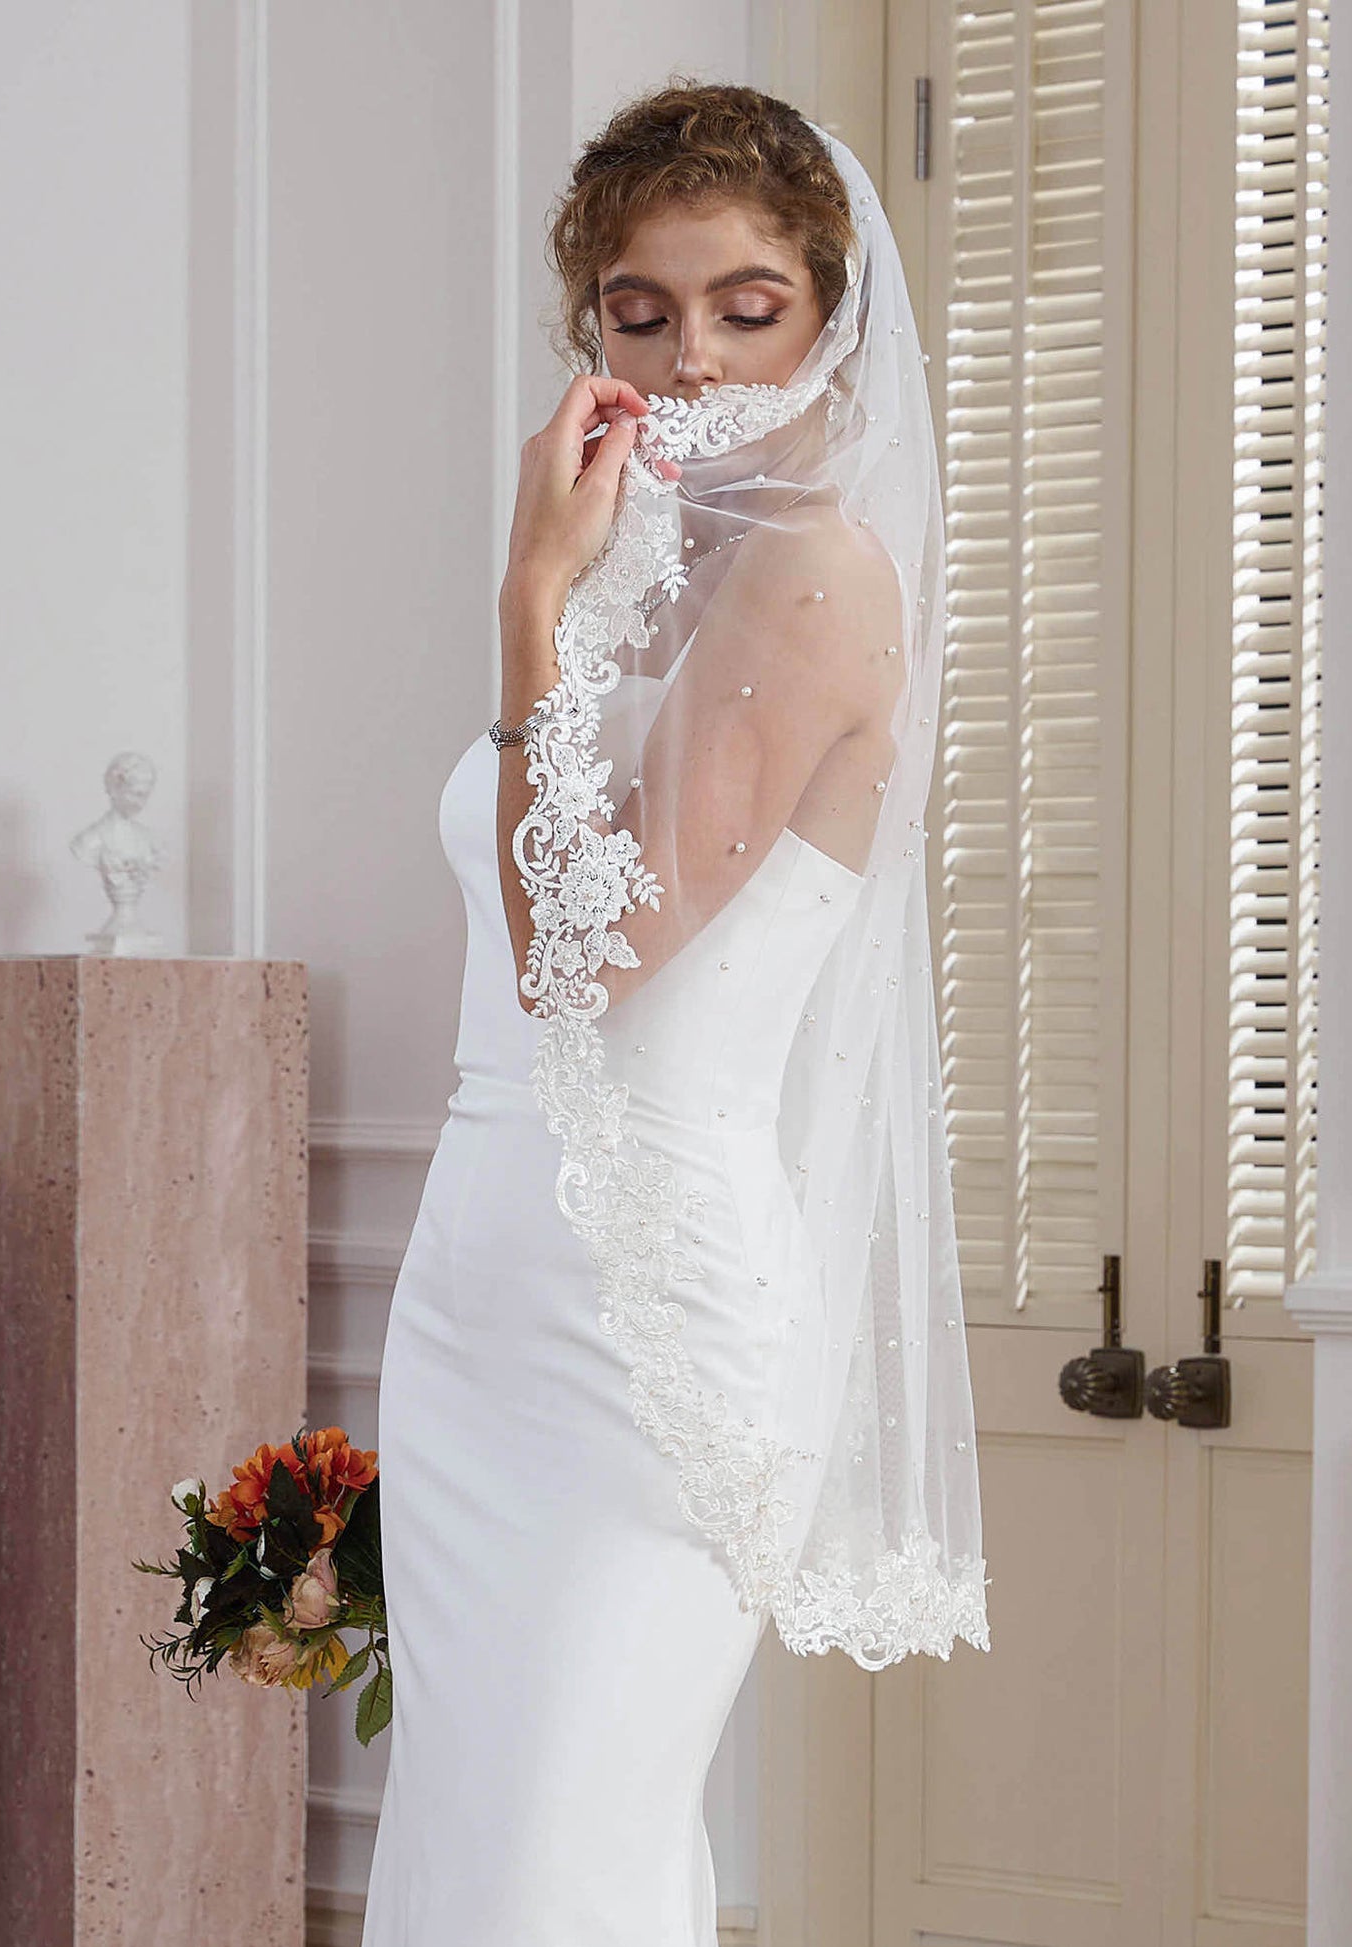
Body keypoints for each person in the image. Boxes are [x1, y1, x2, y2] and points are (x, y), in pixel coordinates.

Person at [362, 83, 988, 1946]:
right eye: (638, 309)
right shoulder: (654, 571)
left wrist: (524, 597)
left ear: (829, 318)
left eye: (746, 305)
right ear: (587, 332)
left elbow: (584, 956)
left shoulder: (807, 581)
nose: (691, 352)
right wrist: (573, 588)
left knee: (560, 1871)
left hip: (641, 1317)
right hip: (481, 1283)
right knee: (484, 1854)